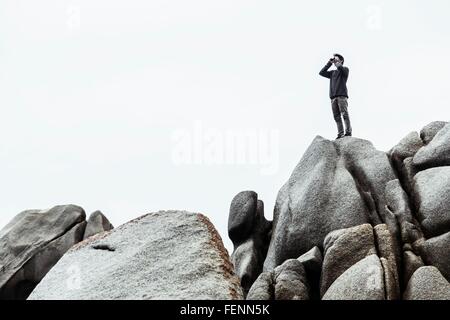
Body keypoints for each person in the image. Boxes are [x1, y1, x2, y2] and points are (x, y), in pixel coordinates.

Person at [319, 54, 352, 139]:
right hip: (333, 97)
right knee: (336, 116)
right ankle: (340, 134)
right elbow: (321, 73)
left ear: (341, 61)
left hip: (342, 96)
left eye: (337, 60)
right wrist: (329, 63)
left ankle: (348, 132)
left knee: (344, 114)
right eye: (334, 60)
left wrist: (337, 63)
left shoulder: (345, 70)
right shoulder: (332, 73)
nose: (335, 61)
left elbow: (341, 68)